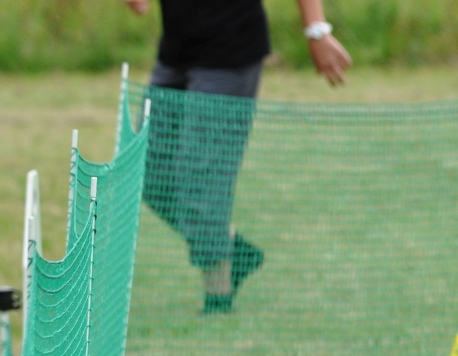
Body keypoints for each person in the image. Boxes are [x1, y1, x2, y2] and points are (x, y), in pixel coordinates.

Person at [123, 0, 352, 313]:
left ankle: (218, 297)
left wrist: (317, 31)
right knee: (146, 173)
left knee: (200, 181)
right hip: (176, 49)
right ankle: (232, 249)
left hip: (229, 52)